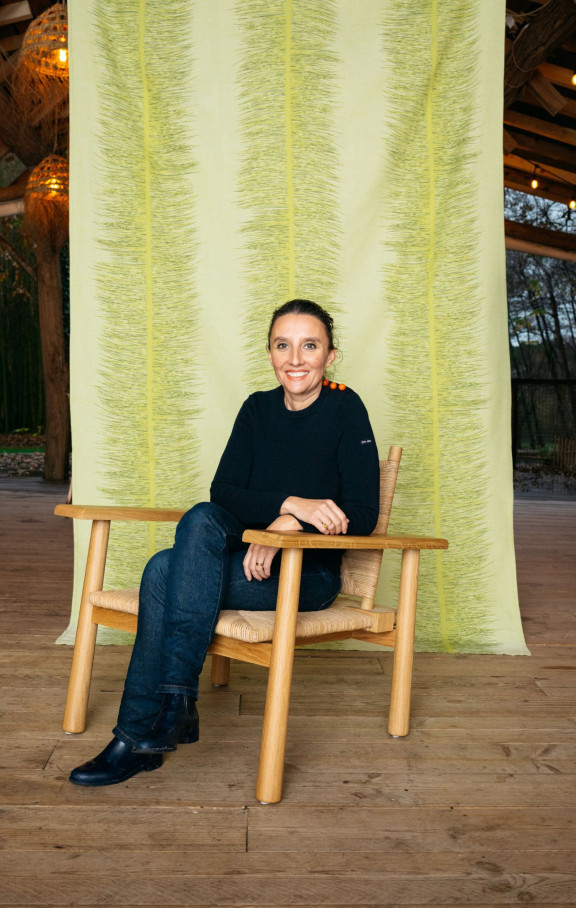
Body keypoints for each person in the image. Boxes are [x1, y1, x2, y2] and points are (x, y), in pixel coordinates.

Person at [69, 298, 380, 786]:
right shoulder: (257, 409)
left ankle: (140, 734)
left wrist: (289, 529)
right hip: (246, 565)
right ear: (270, 352)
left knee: (162, 571)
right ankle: (169, 708)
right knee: (198, 521)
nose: (295, 359)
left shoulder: (346, 409)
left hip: (309, 576)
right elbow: (225, 495)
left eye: (310, 345)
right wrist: (291, 504)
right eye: (283, 345)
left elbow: (362, 515)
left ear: (330, 355)